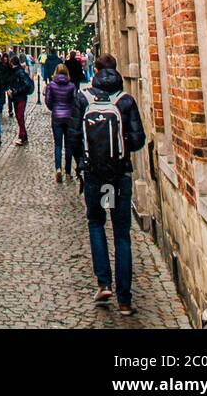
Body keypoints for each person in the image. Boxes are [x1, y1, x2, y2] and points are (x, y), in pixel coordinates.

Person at [68, 54, 146, 316]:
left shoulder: (83, 98)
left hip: (95, 176)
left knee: (96, 224)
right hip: (120, 176)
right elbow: (137, 141)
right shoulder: (126, 101)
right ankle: (125, 300)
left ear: (96, 71)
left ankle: (104, 283)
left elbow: (74, 137)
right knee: (122, 235)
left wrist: (82, 163)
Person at [44, 62, 78, 182]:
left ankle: (58, 169)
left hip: (57, 117)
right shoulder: (72, 86)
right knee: (68, 146)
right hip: (69, 117)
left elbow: (48, 100)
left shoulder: (52, 85)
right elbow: (75, 102)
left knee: (58, 145)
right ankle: (68, 172)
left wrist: (54, 108)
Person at [8, 55, 34, 145]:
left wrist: (15, 91)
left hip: (20, 97)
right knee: (19, 117)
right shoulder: (14, 72)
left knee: (20, 116)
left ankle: (22, 136)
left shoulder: (19, 72)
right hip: (16, 98)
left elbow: (25, 85)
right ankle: (24, 135)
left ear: (12, 63)